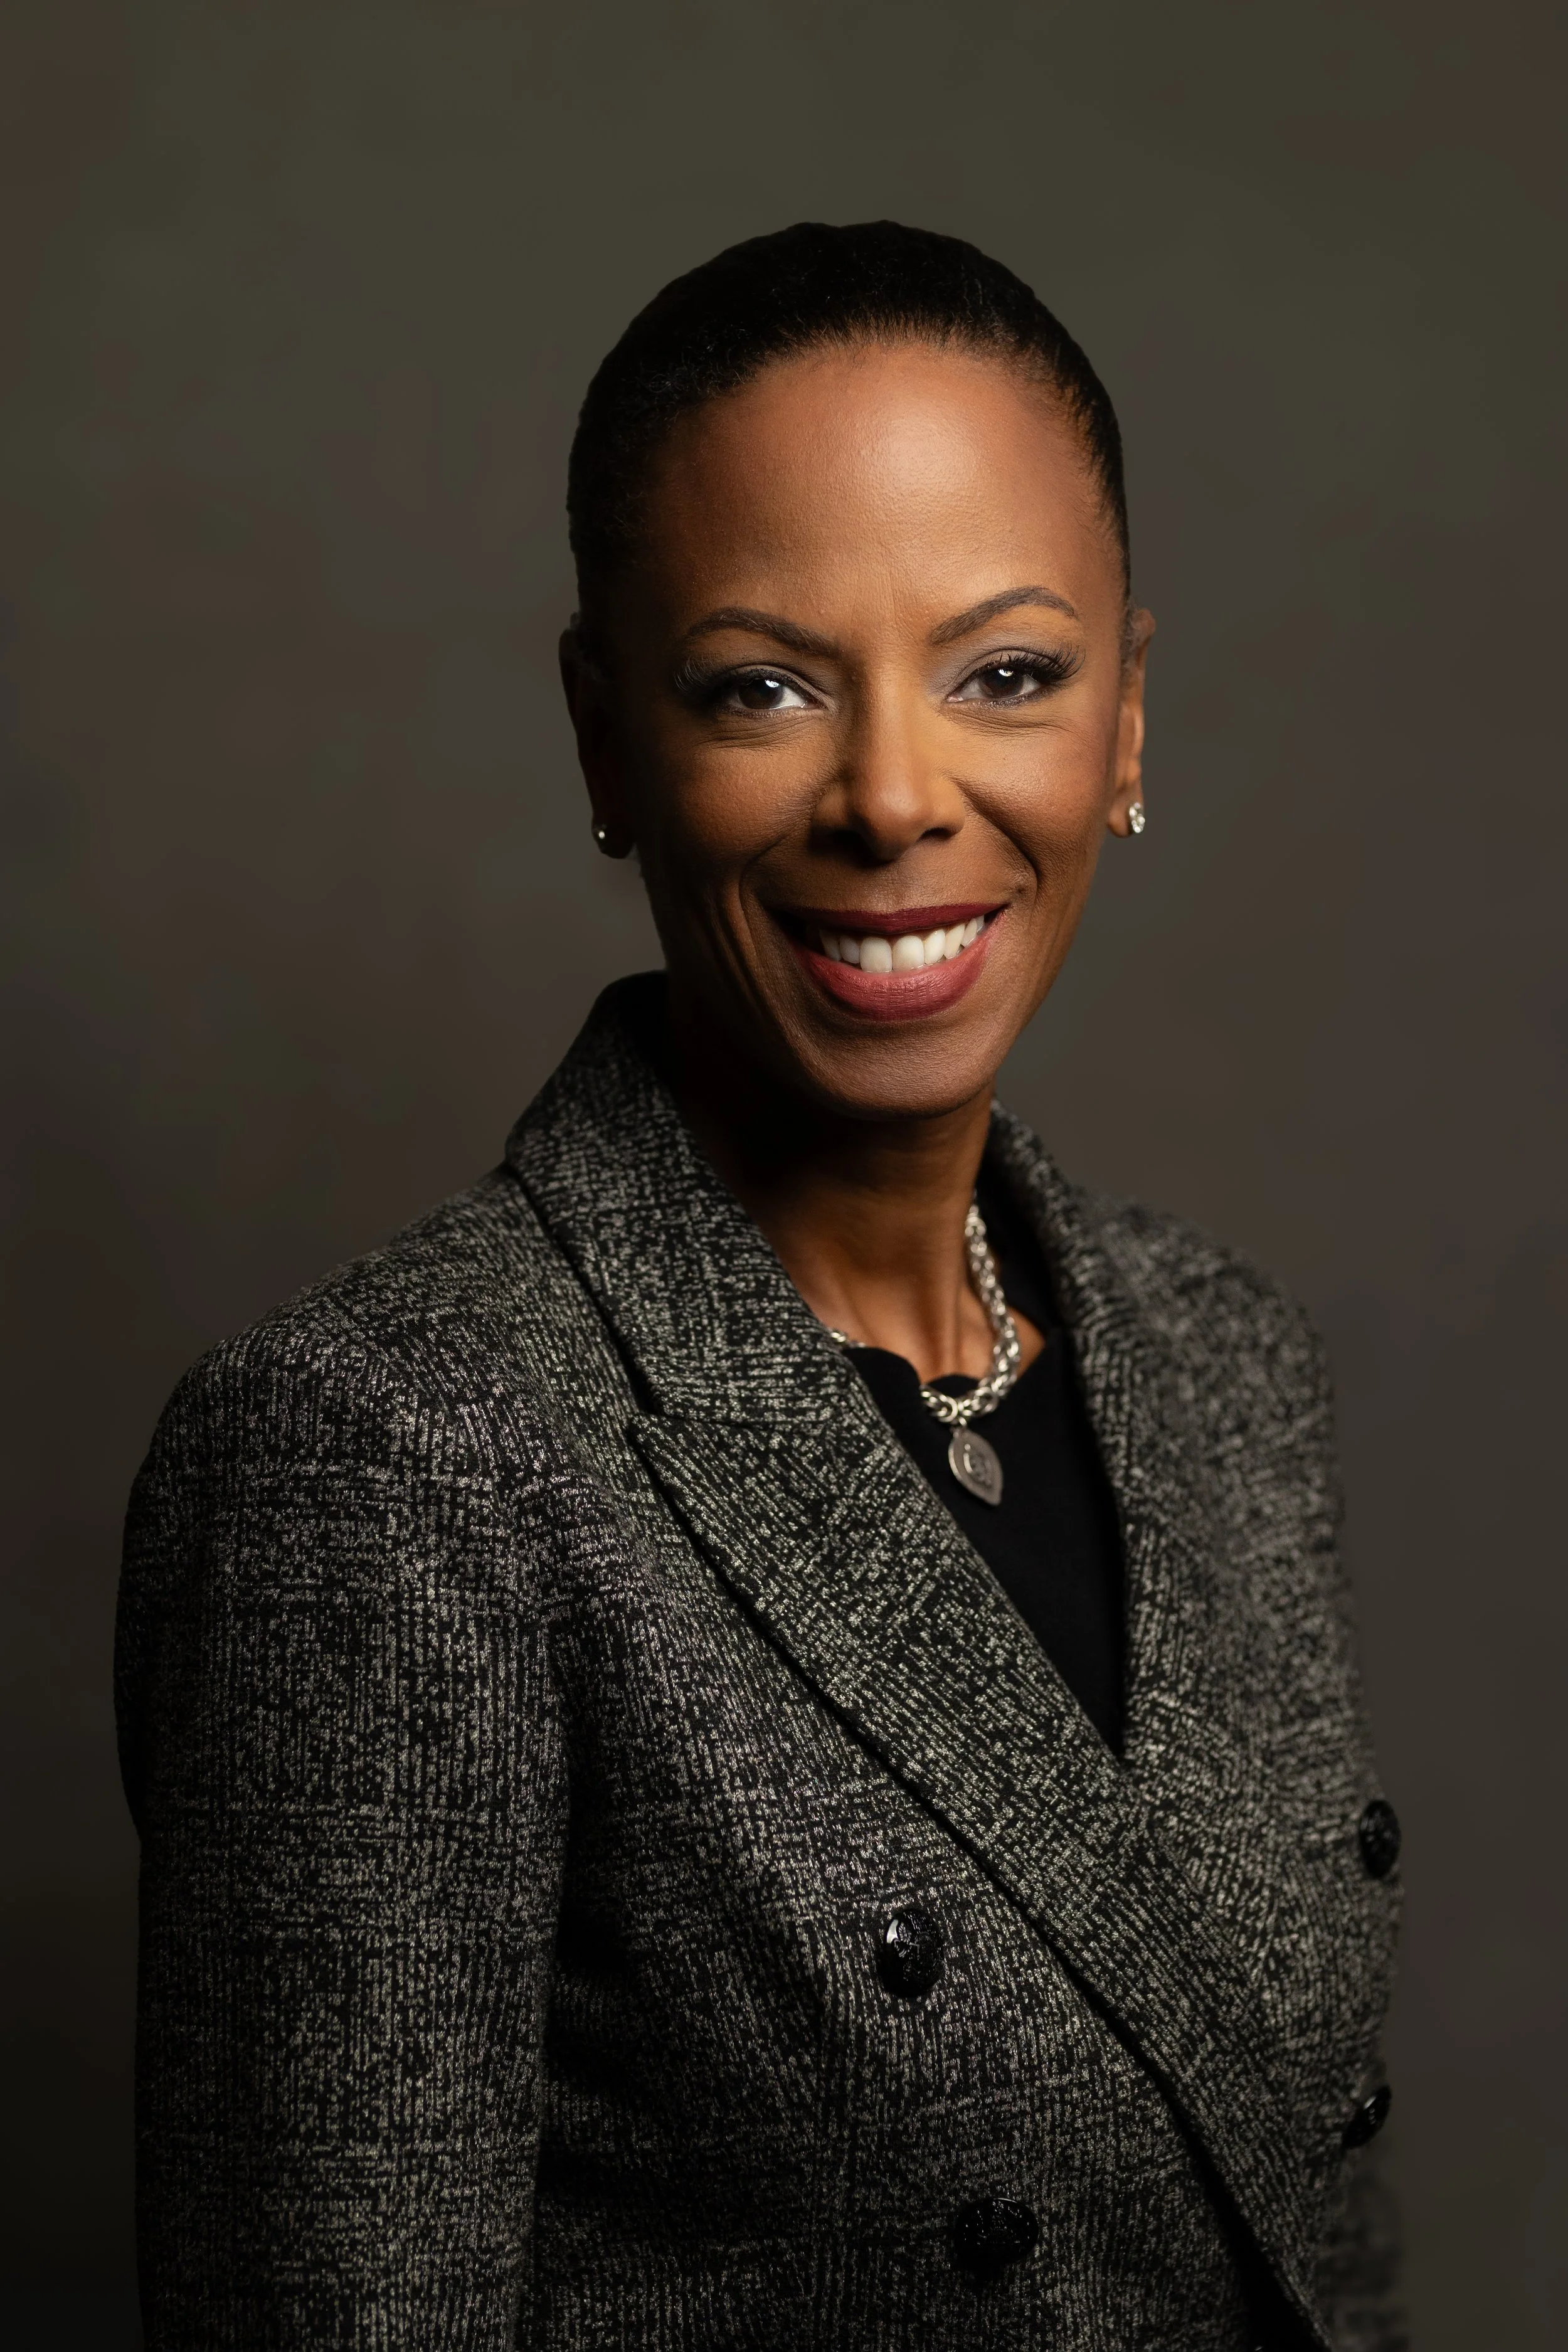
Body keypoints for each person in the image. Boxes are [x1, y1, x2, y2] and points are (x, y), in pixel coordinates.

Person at [117, 221, 1404, 2350]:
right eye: (762, 686)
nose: (897, 794)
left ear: (1129, 716)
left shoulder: (1220, 1361)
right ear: (607, 741)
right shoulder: (389, 1455)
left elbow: (1318, 2253)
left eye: (1006, 671)